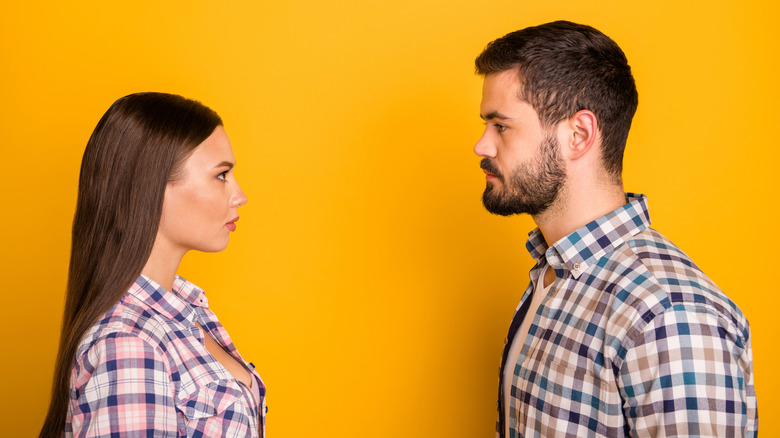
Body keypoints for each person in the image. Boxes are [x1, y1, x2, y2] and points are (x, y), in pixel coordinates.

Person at [473, 21, 757, 437]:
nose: (482, 145)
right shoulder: (553, 276)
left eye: (501, 125)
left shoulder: (668, 316)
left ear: (579, 134)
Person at [40, 92, 266, 437]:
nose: (240, 195)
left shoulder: (189, 311)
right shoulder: (129, 345)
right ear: (153, 185)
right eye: (221, 175)